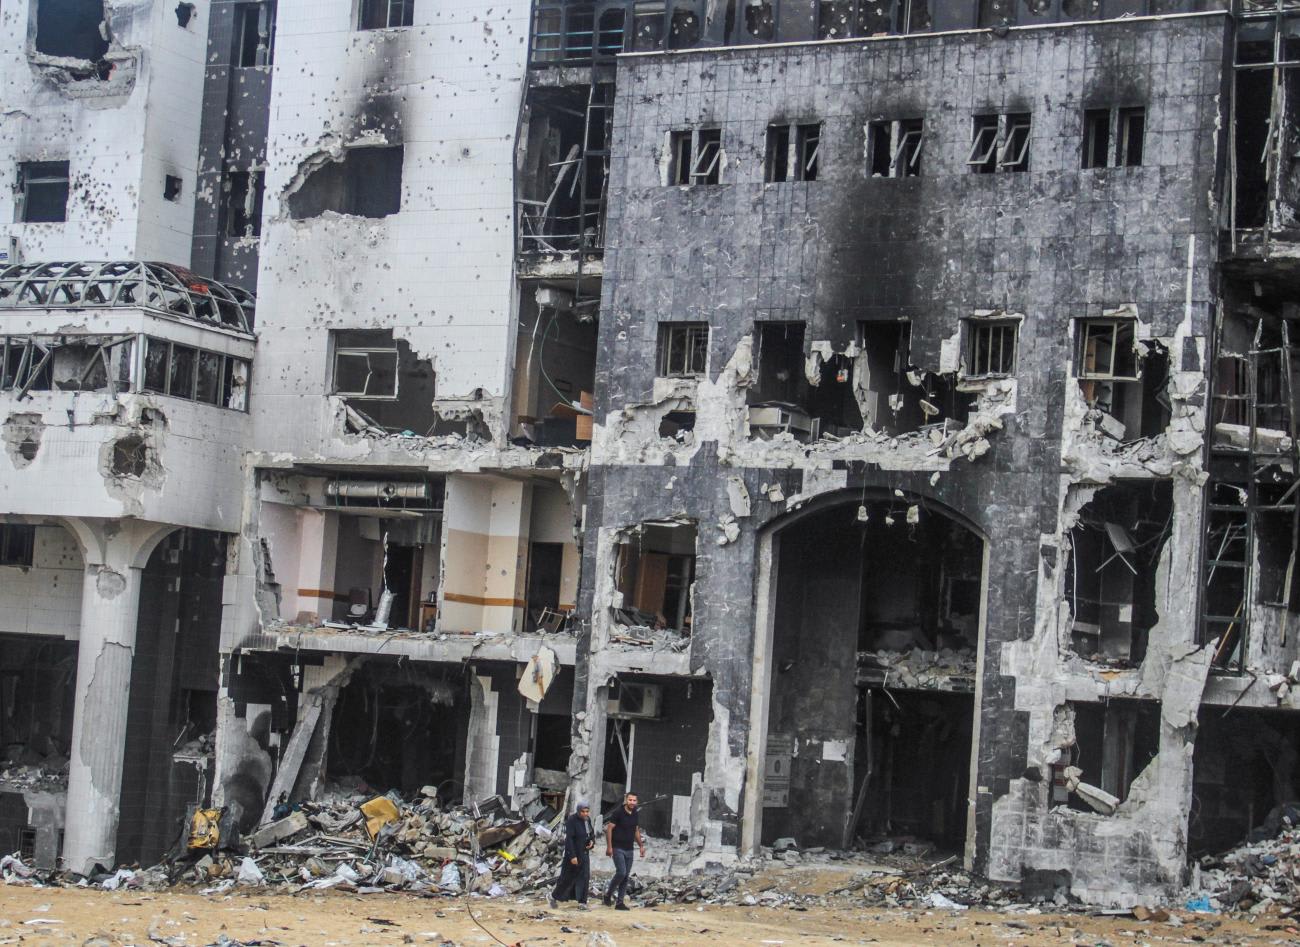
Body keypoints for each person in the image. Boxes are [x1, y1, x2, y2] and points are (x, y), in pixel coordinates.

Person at [602, 792, 645, 909]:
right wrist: (609, 847)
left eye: (634, 800)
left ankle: (619, 903)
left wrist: (641, 845)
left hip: (629, 849)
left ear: (637, 802)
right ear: (626, 800)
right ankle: (608, 894)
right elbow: (609, 829)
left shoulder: (635, 813)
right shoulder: (618, 813)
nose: (632, 802)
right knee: (621, 872)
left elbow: (636, 830)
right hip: (617, 847)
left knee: (625, 876)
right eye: (630, 800)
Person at [549, 801, 595, 909]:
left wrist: (592, 842)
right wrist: (572, 856)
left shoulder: (587, 820)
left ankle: (582, 902)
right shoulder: (572, 820)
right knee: (567, 878)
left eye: (587, 811)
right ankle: (553, 896)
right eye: (583, 811)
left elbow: (591, 834)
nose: (585, 814)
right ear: (578, 811)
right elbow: (569, 839)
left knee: (585, 877)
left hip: (584, 853)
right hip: (573, 854)